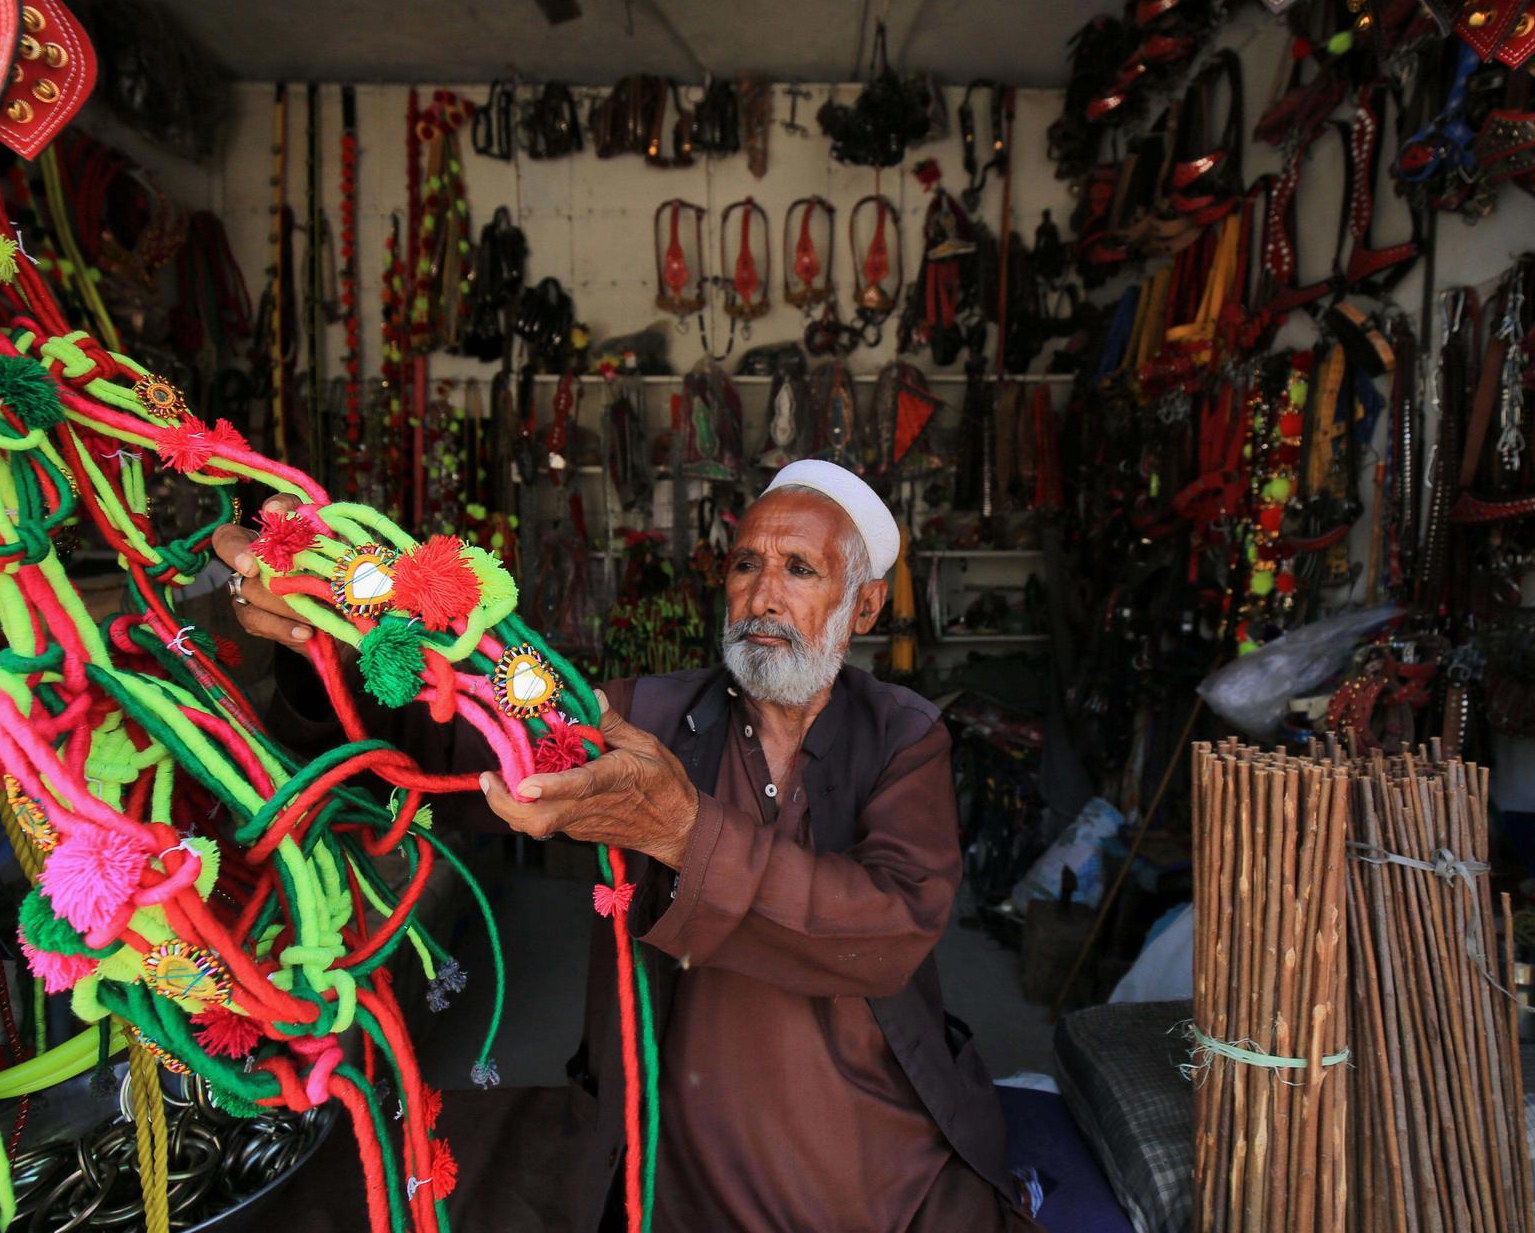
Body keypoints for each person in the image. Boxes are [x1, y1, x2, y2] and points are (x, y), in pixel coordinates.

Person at [212, 460, 1037, 1232]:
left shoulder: (904, 735)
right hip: (685, 1131)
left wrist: (683, 832)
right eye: (745, 565)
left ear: (863, 608)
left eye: (799, 569)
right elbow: (452, 748)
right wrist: (316, 652)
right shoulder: (644, 713)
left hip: (861, 1128)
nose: (761, 596)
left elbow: (891, 929)